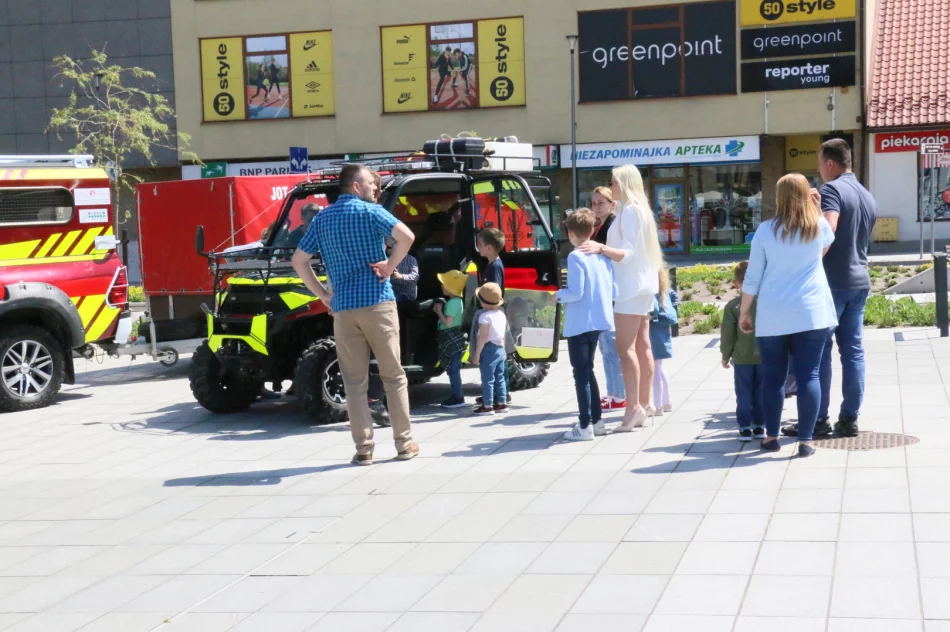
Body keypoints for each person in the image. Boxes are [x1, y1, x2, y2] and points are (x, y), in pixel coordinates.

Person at [292, 164, 419, 466]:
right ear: (355, 186)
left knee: (354, 382)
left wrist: (323, 294)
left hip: (344, 309)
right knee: (393, 376)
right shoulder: (371, 213)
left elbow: (299, 261)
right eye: (370, 183)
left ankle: (364, 448)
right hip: (378, 303)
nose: (376, 188)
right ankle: (404, 443)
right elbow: (407, 237)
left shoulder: (322, 219)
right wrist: (390, 266)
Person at [739, 173, 838, 457]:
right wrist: (817, 209)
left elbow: (753, 276)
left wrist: (745, 311)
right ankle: (806, 440)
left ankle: (771, 437)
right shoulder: (816, 226)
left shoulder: (766, 231)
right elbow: (828, 242)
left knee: (773, 378)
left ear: (779, 198)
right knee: (810, 376)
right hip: (812, 313)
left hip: (773, 314)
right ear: (807, 195)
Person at [783, 138, 877, 439]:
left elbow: (829, 231)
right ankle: (849, 419)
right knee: (853, 353)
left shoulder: (831, 190)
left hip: (831, 284)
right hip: (859, 281)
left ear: (831, 164)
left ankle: (817, 419)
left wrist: (803, 264)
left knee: (818, 353)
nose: (820, 172)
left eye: (820, 165)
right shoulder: (865, 194)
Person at [577, 165, 664, 432]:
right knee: (639, 345)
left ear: (624, 183)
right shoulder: (637, 210)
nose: (611, 185)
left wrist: (600, 247)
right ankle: (643, 405)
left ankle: (633, 408)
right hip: (639, 286)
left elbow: (628, 253)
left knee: (625, 349)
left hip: (629, 287)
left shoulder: (630, 211)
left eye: (613, 181)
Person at [556, 209, 616, 441]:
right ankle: (597, 421)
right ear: (592, 231)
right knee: (588, 371)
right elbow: (612, 288)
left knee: (580, 373)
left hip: (580, 322)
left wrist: (558, 295)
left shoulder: (575, 257)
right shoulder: (602, 256)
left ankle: (584, 425)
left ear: (571, 233)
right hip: (599, 320)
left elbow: (575, 292)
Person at [591, 186, 626, 412]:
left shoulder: (610, 227)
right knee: (607, 347)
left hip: (611, 294)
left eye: (600, 203)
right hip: (607, 293)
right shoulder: (602, 226)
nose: (596, 207)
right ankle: (614, 393)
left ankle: (618, 395)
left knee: (610, 347)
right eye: (593, 203)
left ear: (613, 204)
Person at [721, 261, 765, 442]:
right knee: (762, 392)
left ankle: (745, 427)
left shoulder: (733, 306)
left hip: (741, 356)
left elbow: (728, 335)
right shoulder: (766, 303)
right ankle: (760, 426)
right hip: (765, 355)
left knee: (743, 392)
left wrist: (725, 355)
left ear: (736, 283)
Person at [476, 227, 512, 405]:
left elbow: (494, 291)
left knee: (496, 358)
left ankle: (501, 394)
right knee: (499, 358)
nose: (478, 247)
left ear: (489, 247)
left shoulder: (494, 267)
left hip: (493, 314)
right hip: (494, 312)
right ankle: (499, 393)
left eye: (480, 244)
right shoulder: (493, 264)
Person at [471, 282, 508, 416]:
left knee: (487, 378)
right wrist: (503, 349)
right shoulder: (502, 315)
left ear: (482, 301)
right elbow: (503, 335)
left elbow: (483, 337)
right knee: (500, 377)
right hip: (499, 347)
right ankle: (502, 403)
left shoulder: (484, 316)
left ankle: (487, 405)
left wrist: (476, 354)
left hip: (488, 349)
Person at [434, 270, 468, 409]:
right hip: (453, 337)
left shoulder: (453, 303)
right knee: (453, 369)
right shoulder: (456, 301)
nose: (442, 286)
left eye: (444, 284)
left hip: (451, 337)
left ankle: (458, 397)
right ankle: (456, 395)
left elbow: (448, 323)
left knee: (453, 370)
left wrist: (439, 312)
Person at [650, 268, 678, 417]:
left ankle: (658, 405)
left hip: (653, 328)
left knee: (654, 369)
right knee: (659, 367)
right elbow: (675, 297)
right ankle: (666, 402)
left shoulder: (651, 290)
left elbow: (652, 309)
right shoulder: (664, 288)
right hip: (663, 327)